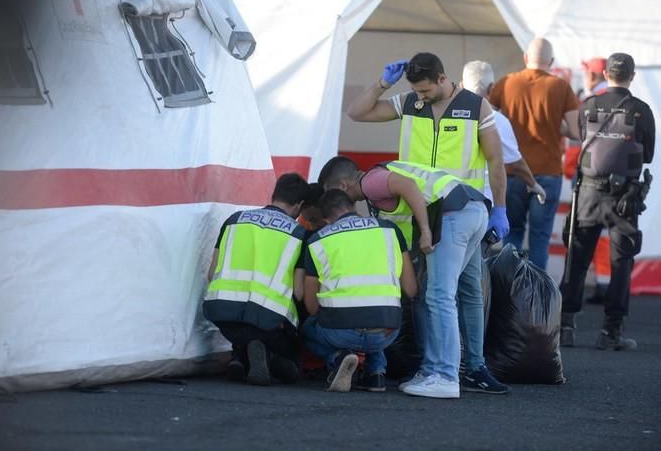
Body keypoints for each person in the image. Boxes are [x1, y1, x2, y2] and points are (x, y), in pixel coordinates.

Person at [319, 157, 508, 399]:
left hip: (452, 215)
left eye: (329, 191)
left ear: (343, 186)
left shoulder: (370, 182)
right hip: (474, 209)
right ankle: (439, 370)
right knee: (440, 290)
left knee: (440, 296)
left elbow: (408, 186)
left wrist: (427, 231)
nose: (329, 200)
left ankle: (445, 376)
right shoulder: (381, 174)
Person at [346, 52, 509, 244]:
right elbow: (356, 113)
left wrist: (500, 208)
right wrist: (383, 84)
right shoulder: (409, 102)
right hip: (416, 210)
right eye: (416, 91)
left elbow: (495, 159)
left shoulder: (476, 107)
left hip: (462, 211)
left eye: (425, 91)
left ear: (442, 79)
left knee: (462, 275)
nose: (420, 96)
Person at [560, 53, 655, 351]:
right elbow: (648, 154)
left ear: (605, 73)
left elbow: (579, 139)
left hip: (588, 192)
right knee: (621, 263)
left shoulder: (588, 106)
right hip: (624, 197)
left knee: (577, 261)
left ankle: (565, 327)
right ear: (632, 75)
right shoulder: (641, 110)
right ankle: (610, 332)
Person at [301, 189, 417, 393]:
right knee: (378, 311)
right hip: (387, 332)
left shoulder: (318, 240)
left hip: (340, 333)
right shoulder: (390, 230)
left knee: (307, 329)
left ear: (327, 220)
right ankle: (376, 373)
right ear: (353, 207)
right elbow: (410, 288)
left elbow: (311, 306)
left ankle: (337, 358)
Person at [203, 173, 310, 385]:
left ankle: (239, 357)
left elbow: (211, 273)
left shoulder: (234, 221)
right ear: (300, 206)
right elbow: (299, 292)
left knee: (246, 328)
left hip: (224, 317)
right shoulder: (299, 234)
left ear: (274, 194)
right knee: (293, 362)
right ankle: (268, 358)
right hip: (270, 324)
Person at [489, 38, 580, 269]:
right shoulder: (561, 87)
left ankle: (509, 291)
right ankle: (538, 296)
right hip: (548, 172)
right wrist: (556, 126)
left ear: (526, 58)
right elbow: (576, 132)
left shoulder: (506, 83)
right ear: (550, 61)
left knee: (512, 234)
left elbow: (488, 122)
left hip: (512, 171)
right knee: (540, 238)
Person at [461, 60, 546, 205]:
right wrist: (533, 184)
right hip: (484, 202)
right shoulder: (496, 121)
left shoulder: (443, 115)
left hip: (449, 200)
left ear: (462, 85)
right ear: (491, 88)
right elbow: (515, 163)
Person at [563, 57, 611, 305]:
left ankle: (571, 303)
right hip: (616, 183)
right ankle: (605, 285)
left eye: (585, 72)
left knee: (581, 237)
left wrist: (570, 169)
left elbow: (576, 143)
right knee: (605, 237)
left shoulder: (588, 104)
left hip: (588, 181)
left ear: (593, 75)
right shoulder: (627, 104)